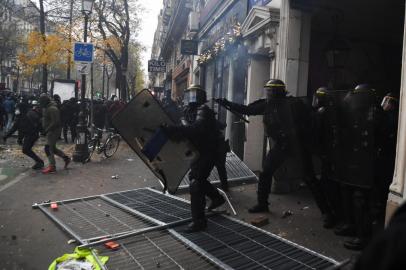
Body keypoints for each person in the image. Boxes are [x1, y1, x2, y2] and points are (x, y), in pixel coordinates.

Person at [217, 79, 332, 222]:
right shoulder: (267, 105)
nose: (268, 93)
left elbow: (310, 122)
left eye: (270, 91)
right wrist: (227, 103)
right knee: (266, 172)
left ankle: (327, 212)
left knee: (309, 178)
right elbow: (248, 109)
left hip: (298, 145)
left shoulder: (295, 104)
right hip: (281, 145)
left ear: (277, 91)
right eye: (268, 91)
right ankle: (262, 204)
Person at [163, 84, 225, 232]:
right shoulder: (187, 111)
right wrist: (169, 133)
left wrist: (175, 129)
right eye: (190, 94)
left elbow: (196, 129)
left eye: (195, 95)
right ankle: (217, 198)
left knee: (196, 183)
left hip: (209, 151)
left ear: (201, 97)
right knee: (197, 179)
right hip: (198, 151)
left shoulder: (204, 110)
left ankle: (199, 221)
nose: (192, 98)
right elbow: (184, 133)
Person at [340, 84, 380, 250]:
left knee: (361, 200)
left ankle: (363, 237)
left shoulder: (375, 114)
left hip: (368, 164)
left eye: (358, 96)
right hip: (355, 161)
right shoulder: (357, 113)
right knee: (348, 193)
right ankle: (352, 226)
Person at [3, 101, 44, 169]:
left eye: (18, 108)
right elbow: (15, 128)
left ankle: (39, 162)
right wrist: (6, 136)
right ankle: (39, 162)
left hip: (32, 134)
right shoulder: (21, 116)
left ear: (21, 109)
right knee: (26, 149)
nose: (16, 110)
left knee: (25, 149)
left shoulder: (26, 116)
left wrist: (18, 138)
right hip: (30, 134)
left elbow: (18, 129)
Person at [39, 94, 71, 174]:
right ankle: (66, 158)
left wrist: (47, 130)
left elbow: (55, 122)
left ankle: (52, 166)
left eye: (41, 101)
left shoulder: (52, 109)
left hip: (53, 131)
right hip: (51, 130)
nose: (40, 103)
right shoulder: (47, 108)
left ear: (45, 101)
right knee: (52, 148)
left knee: (48, 148)